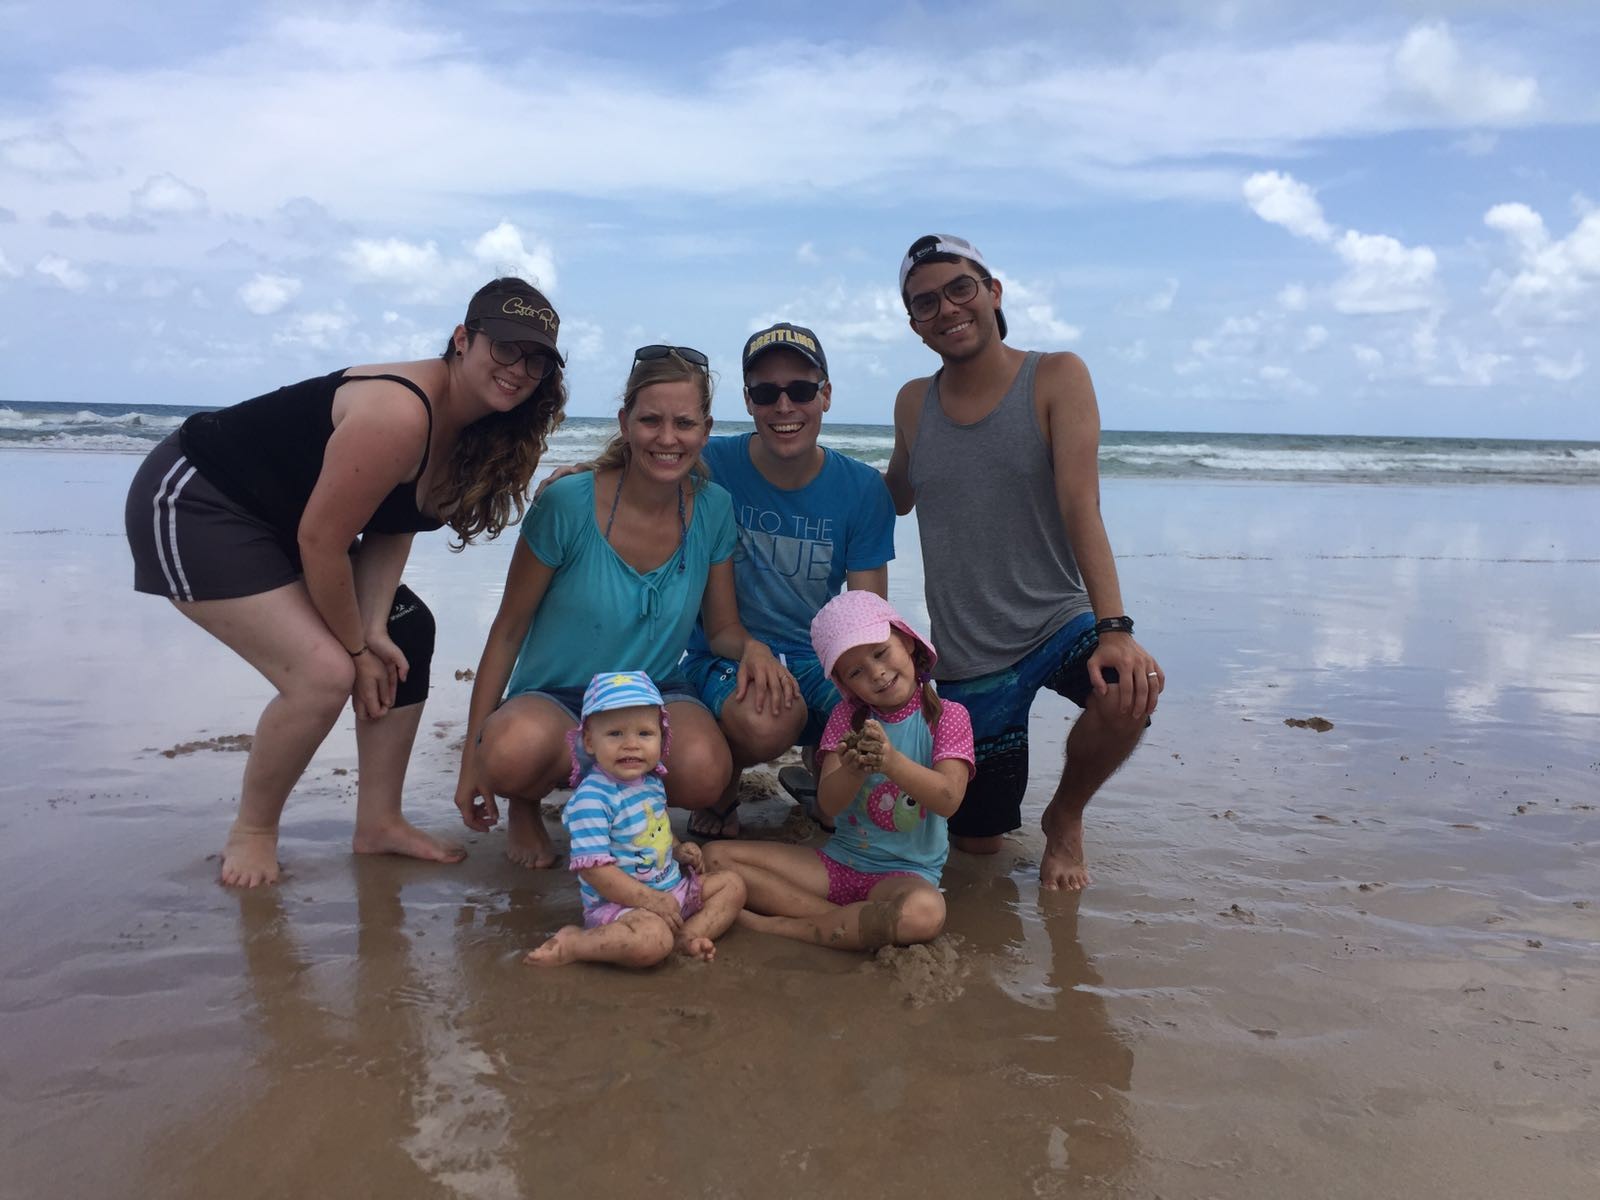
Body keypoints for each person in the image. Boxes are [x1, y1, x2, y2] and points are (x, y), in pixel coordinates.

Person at [124, 277, 568, 887]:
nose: (519, 370)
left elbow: (392, 526)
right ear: (463, 339)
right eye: (504, 349)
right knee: (323, 675)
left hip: (286, 523)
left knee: (409, 632)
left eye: (537, 359)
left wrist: (375, 625)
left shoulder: (475, 429)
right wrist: (357, 648)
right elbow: (322, 543)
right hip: (198, 501)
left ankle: (379, 823)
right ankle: (253, 831)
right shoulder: (400, 412)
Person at [884, 234, 1165, 892]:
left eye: (961, 288)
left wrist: (1114, 629)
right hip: (969, 655)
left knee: (1129, 693)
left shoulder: (1057, 376)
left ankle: (1065, 817)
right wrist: (790, 469)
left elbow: (1080, 504)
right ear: (914, 324)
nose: (948, 308)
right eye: (925, 302)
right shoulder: (910, 402)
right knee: (978, 846)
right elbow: (892, 495)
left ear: (992, 293)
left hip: (1055, 622)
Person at [540, 322, 897, 841]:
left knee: (884, 728)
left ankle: (819, 767)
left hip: (817, 658)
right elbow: (649, 456)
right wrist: (581, 472)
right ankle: (725, 780)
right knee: (768, 718)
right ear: (748, 402)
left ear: (825, 395)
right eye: (765, 392)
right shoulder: (711, 462)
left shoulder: (862, 488)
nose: (784, 406)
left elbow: (866, 617)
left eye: (799, 389)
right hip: (724, 657)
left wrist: (873, 702)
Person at [454, 345, 798, 869]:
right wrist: (470, 756)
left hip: (652, 693)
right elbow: (508, 630)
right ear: (625, 422)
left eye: (683, 423)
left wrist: (753, 649)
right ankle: (525, 803)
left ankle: (630, 807)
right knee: (507, 754)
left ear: (705, 431)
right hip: (557, 697)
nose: (667, 438)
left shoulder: (713, 508)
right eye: (651, 420)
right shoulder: (568, 501)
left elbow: (723, 626)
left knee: (706, 771)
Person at [705, 591, 973, 951]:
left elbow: (949, 799)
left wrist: (890, 762)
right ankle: (845, 921)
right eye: (856, 671)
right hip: (839, 864)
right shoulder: (845, 718)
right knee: (715, 857)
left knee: (923, 913)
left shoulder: (948, 716)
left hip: (904, 876)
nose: (876, 673)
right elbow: (829, 805)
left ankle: (787, 926)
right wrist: (852, 769)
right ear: (845, 685)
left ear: (907, 641)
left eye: (880, 652)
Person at [525, 671, 747, 967]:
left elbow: (656, 829)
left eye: (644, 734)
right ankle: (576, 943)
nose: (631, 745)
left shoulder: (651, 781)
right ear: (590, 741)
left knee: (732, 886)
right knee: (651, 941)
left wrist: (678, 850)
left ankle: (686, 936)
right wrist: (649, 901)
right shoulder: (592, 798)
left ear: (661, 736)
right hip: (620, 907)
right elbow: (594, 871)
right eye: (615, 734)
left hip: (670, 891)